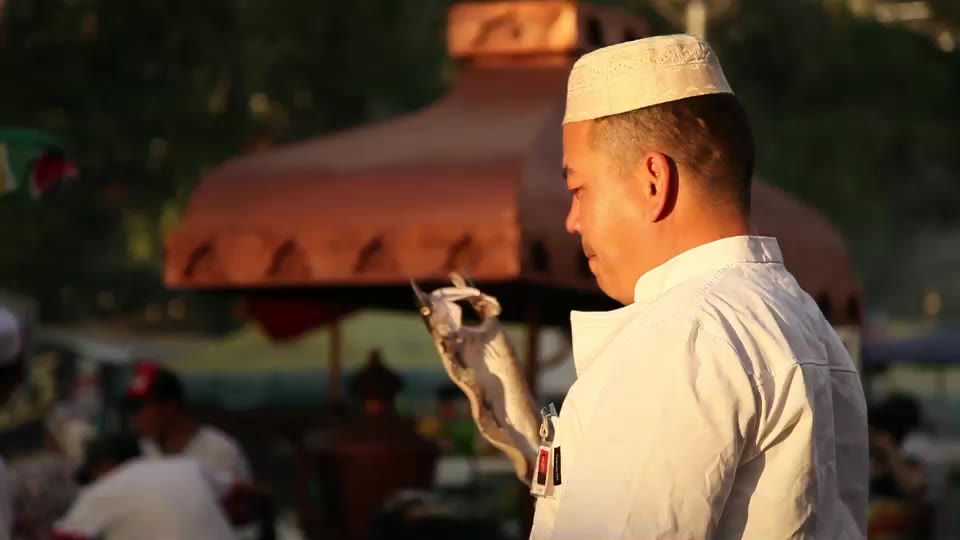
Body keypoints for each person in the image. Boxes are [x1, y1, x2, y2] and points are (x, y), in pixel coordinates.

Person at [529, 35, 868, 539]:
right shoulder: (804, 322)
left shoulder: (684, 334)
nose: (572, 220)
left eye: (579, 189)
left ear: (653, 181)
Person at [122, 362, 273, 539]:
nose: (135, 418)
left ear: (169, 408)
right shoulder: (142, 451)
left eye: (139, 408)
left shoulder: (219, 449)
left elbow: (241, 516)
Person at [51, 433, 236, 540]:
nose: (92, 484)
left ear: (105, 465)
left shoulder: (103, 489)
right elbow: (239, 491)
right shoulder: (187, 465)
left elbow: (63, 536)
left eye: (92, 477)